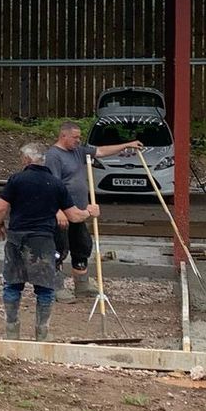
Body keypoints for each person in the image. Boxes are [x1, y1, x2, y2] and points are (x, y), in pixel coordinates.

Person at [0, 142, 100, 341]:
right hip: (42, 240)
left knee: (12, 285)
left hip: (17, 238)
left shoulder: (16, 179)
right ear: (43, 161)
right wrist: (89, 211)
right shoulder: (56, 184)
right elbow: (75, 217)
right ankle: (42, 332)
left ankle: (12, 330)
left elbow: (1, 208)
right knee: (45, 288)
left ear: (26, 160)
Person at [44, 121, 143, 301]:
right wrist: (57, 210)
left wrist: (127, 145)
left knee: (82, 246)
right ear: (63, 135)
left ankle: (82, 285)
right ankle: (55, 286)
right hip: (62, 214)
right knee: (58, 249)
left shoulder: (79, 152)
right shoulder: (53, 156)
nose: (78, 140)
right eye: (75, 137)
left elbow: (101, 151)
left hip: (79, 212)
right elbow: (51, 185)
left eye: (79, 137)